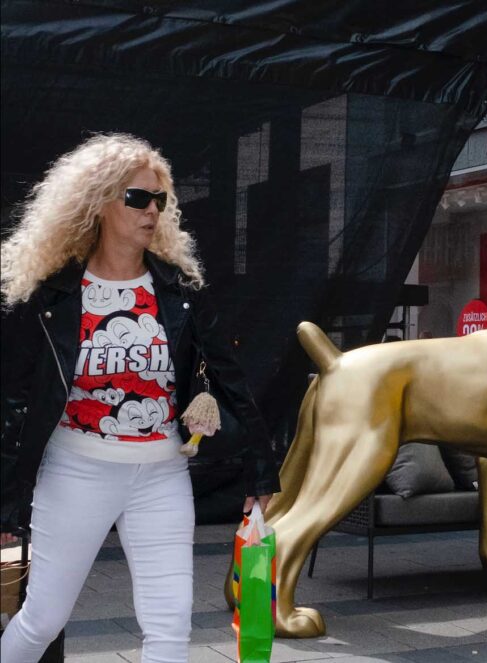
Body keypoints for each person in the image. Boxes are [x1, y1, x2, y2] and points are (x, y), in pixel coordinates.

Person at [0, 134, 280, 662]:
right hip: (75, 471)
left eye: (160, 199)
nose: (152, 210)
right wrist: (7, 503)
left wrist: (261, 470)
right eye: (138, 198)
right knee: (40, 622)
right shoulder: (53, 294)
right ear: (99, 203)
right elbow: (14, 401)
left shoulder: (179, 291)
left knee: (170, 626)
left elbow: (231, 379)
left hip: (161, 473)